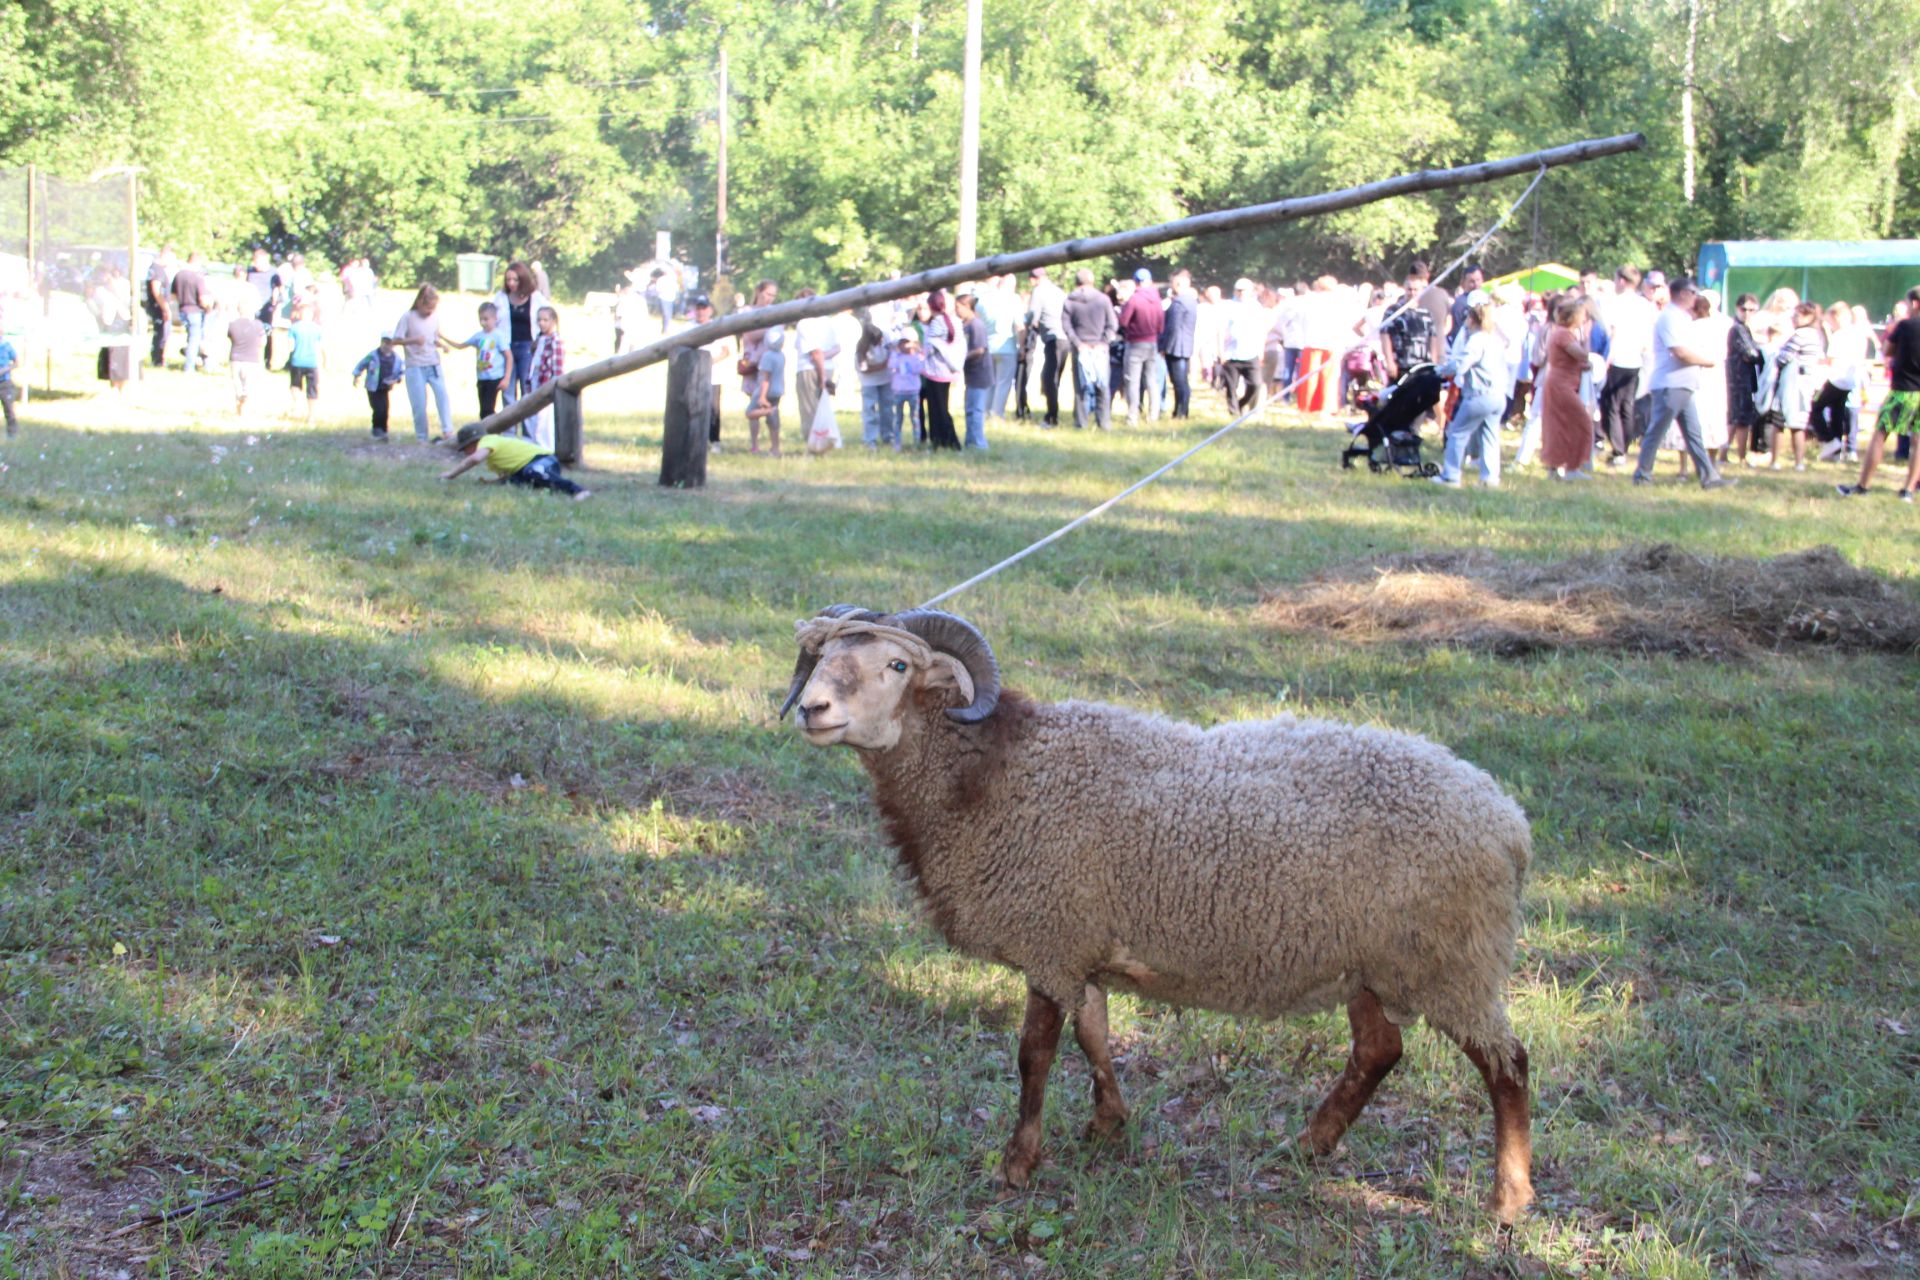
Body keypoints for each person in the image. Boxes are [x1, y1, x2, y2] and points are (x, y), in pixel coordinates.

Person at [1631, 277, 1736, 489]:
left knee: (1693, 434)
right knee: (1656, 431)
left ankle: (1709, 477)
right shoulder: (1669, 318)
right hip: (1671, 384)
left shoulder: (1682, 318)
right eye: (1693, 292)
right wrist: (1708, 361)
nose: (1696, 297)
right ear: (1682, 294)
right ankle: (1642, 475)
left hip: (1684, 384)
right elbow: (1679, 352)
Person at [1836, 285, 1920, 501]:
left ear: (1914, 303)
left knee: (1880, 435)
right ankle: (1908, 490)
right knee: (1918, 442)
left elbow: (1886, 351)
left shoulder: (1905, 326)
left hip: (1903, 390)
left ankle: (1863, 486)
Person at [1430, 290, 1512, 488]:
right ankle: (1490, 478)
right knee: (1490, 437)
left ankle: (1450, 476)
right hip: (1498, 395)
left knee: (1457, 433)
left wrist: (1441, 370)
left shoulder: (1476, 340)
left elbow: (1460, 365)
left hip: (1479, 396)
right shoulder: (1494, 339)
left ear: (1471, 317)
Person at [442, 422, 591, 500]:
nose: (465, 454)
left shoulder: (488, 441)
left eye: (465, 449)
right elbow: (506, 475)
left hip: (544, 460)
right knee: (515, 481)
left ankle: (577, 490)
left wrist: (451, 474)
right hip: (525, 468)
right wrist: (493, 482)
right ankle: (547, 488)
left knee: (532, 471)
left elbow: (474, 459)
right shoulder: (492, 461)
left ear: (472, 443)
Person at [1601, 265, 1656, 465]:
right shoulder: (1646, 305)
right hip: (1636, 359)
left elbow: (1613, 334)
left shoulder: (1615, 303)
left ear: (1622, 281)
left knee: (1612, 406)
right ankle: (1624, 444)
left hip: (1618, 359)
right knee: (1627, 405)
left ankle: (1618, 450)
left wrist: (1607, 359)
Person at [1763, 302, 1827, 471]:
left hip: (1792, 385)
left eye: (1797, 315)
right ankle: (1799, 462)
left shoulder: (1800, 334)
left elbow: (1783, 358)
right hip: (1805, 384)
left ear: (1809, 316)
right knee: (1798, 424)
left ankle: (1775, 461)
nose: (1794, 318)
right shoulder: (1816, 335)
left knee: (1779, 422)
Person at [1538, 297, 1593, 478]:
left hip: (1563, 382)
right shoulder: (1563, 335)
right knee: (1581, 422)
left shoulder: (1563, 333)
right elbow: (1580, 354)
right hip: (1560, 385)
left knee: (1561, 424)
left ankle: (1558, 467)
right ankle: (1572, 467)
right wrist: (1587, 339)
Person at [392, 284, 455, 443]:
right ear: (420, 302)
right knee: (419, 403)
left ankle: (447, 430)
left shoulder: (434, 318)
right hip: (415, 365)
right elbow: (396, 339)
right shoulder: (408, 317)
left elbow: (433, 337)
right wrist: (413, 340)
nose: (430, 311)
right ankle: (422, 436)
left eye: (433, 308)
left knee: (442, 396)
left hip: (433, 363)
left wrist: (442, 345)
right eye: (428, 308)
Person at [1061, 269, 1116, 431]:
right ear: (1092, 282)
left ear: (1077, 283)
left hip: (1081, 347)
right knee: (1103, 385)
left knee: (1080, 387)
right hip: (1100, 348)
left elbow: (1066, 325)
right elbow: (1112, 324)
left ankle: (1081, 422)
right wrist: (1103, 341)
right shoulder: (1103, 300)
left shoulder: (1070, 301)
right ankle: (1104, 423)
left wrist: (1078, 343)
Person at [492, 262, 548, 405]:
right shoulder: (501, 297)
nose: (511, 283)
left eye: (515, 280)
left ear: (523, 279)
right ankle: (509, 426)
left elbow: (548, 315)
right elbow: (492, 319)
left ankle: (529, 426)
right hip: (506, 348)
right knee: (508, 390)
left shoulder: (535, 297)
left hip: (528, 348)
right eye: (508, 280)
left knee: (527, 388)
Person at [792, 287, 841, 442]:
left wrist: (821, 378)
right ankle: (824, 439)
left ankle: (814, 443)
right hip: (827, 367)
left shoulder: (804, 323)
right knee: (822, 408)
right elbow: (836, 348)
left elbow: (815, 352)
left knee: (809, 409)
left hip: (810, 369)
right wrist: (824, 361)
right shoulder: (828, 321)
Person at [1118, 267, 1166, 425]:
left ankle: (1133, 416)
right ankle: (1154, 415)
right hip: (1152, 343)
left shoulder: (1134, 299)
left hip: (1135, 343)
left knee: (1133, 380)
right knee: (1152, 380)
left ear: (1136, 282)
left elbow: (1123, 321)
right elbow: (1161, 326)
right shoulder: (1157, 299)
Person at [448, 302, 513, 417]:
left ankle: (492, 430)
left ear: (495, 318)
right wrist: (442, 337)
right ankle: (486, 430)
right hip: (482, 377)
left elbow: (508, 356)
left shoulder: (498, 336)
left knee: (488, 409)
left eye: (486, 319)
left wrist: (506, 378)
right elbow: (460, 345)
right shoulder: (479, 336)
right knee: (483, 409)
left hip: (495, 377)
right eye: (481, 319)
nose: (483, 323)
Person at [920, 289, 964, 449]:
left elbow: (931, 347)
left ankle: (948, 441)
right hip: (948, 371)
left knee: (937, 409)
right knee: (942, 406)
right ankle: (942, 440)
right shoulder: (954, 321)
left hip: (935, 371)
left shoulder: (937, 323)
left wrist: (920, 354)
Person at [688, 293, 732, 451]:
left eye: (704, 308)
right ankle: (694, 439)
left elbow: (726, 351)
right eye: (698, 308)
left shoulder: (717, 327)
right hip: (693, 375)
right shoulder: (688, 327)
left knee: (713, 409)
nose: (701, 312)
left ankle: (714, 440)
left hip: (714, 375)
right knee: (692, 407)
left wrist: (709, 362)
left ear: (710, 310)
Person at [1725, 293, 1765, 464]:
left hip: (1745, 378)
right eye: (1744, 309)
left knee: (1737, 419)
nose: (1747, 313)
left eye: (1752, 310)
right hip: (1738, 379)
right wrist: (1758, 353)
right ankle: (1740, 457)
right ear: (1737, 308)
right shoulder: (1737, 329)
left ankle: (1724, 454)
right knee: (1741, 420)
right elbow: (1751, 354)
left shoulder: (1745, 328)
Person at [1026, 266, 1068, 426]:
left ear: (1033, 279)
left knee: (1048, 378)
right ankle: (1052, 413)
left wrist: (1025, 324)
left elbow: (1032, 315)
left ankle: (1051, 416)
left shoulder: (1038, 291)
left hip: (1053, 337)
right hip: (1065, 338)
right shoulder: (1058, 291)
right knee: (1055, 377)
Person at [1218, 278, 1266, 414]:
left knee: (1255, 384)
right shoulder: (1228, 306)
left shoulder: (1256, 307)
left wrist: (1261, 350)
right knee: (1231, 386)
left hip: (1251, 352)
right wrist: (1221, 351)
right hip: (1231, 353)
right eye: (1238, 290)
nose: (1241, 293)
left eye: (1244, 290)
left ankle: (1241, 403)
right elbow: (1221, 330)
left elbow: (1261, 330)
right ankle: (1233, 412)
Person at [977, 275, 1020, 420]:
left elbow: (978, 321)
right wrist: (1023, 346)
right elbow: (1019, 325)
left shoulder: (984, 299)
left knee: (990, 382)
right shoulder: (1013, 299)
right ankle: (997, 413)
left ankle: (985, 411)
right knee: (1003, 383)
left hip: (987, 346)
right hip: (1007, 347)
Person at [854, 308, 896, 450]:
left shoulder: (886, 337)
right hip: (869, 381)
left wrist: (886, 365)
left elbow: (893, 353)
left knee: (888, 409)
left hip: (886, 379)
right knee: (870, 410)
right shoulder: (861, 348)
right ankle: (870, 439)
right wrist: (881, 366)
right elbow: (864, 369)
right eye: (876, 342)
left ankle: (888, 436)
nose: (879, 344)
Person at [524, 306, 565, 450]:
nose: (541, 323)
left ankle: (545, 449)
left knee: (544, 420)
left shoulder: (555, 341)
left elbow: (557, 367)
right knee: (532, 417)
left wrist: (554, 386)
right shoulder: (539, 339)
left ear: (553, 321)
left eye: (545, 320)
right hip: (535, 382)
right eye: (539, 320)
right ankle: (534, 447)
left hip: (547, 385)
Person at [350, 334, 404, 438]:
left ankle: (384, 430)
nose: (386, 346)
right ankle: (376, 429)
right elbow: (362, 364)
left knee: (385, 408)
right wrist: (356, 375)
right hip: (373, 386)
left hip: (385, 387)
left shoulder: (396, 358)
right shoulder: (373, 355)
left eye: (389, 343)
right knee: (378, 408)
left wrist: (397, 379)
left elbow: (401, 371)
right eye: (384, 342)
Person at [958, 289, 992, 449]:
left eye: (958, 307)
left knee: (976, 410)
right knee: (970, 409)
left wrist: (961, 357)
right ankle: (970, 440)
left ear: (967, 307)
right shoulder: (965, 325)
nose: (956, 311)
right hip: (970, 374)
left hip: (980, 373)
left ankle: (979, 443)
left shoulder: (976, 325)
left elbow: (980, 349)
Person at [747, 323, 787, 456]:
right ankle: (775, 448)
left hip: (766, 392)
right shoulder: (781, 355)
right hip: (777, 390)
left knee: (750, 413)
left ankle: (768, 411)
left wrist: (762, 396)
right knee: (773, 422)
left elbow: (765, 378)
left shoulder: (767, 356)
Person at [1161, 269, 1197, 418]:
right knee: (1181, 381)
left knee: (1179, 382)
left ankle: (1181, 411)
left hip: (1176, 347)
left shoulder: (1180, 303)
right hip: (1184, 345)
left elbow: (1172, 327)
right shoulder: (1191, 301)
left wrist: (1164, 346)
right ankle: (1181, 410)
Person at [283, 302, 323, 425]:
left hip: (297, 361)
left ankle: (297, 407)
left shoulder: (294, 328)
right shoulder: (317, 329)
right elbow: (321, 347)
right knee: (312, 389)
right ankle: (311, 416)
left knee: (295, 385)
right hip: (312, 362)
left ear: (300, 314)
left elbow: (290, 346)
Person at [171, 251, 211, 374]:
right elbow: (203, 299)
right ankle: (190, 367)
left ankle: (194, 362)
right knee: (195, 339)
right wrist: (208, 308)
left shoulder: (178, 275)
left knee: (190, 338)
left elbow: (173, 295)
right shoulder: (197, 277)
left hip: (183, 310)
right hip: (195, 311)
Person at [226, 304, 268, 419]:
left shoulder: (232, 325)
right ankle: (246, 412)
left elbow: (230, 338)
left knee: (238, 387)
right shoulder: (258, 325)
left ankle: (239, 411)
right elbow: (263, 342)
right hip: (252, 359)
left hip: (235, 358)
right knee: (248, 387)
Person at [887, 333, 925, 448]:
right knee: (898, 418)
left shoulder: (916, 357)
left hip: (913, 391)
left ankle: (917, 442)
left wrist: (918, 352)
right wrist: (894, 351)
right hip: (899, 391)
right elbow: (891, 365)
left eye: (907, 342)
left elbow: (920, 368)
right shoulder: (896, 357)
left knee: (915, 418)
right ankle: (897, 442)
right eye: (902, 343)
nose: (905, 346)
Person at [145, 245, 176, 367]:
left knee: (163, 333)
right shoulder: (157, 270)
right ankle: (158, 360)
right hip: (158, 307)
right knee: (162, 333)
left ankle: (159, 358)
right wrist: (165, 308)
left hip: (159, 306)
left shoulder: (155, 269)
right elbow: (156, 290)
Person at [0, 329, 16, 437]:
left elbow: (16, 362)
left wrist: (5, 370)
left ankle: (12, 433)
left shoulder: (6, 346)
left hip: (4, 382)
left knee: (8, 408)